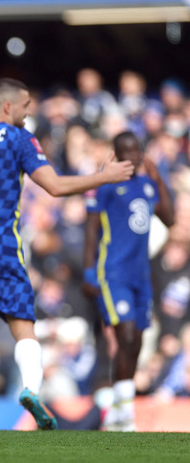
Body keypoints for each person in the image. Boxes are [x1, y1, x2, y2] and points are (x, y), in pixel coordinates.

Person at [0, 78, 135, 431]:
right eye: (25, 106)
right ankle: (30, 390)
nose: (29, 113)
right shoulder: (19, 138)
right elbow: (54, 186)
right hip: (1, 245)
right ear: (8, 107)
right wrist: (102, 177)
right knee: (23, 325)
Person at [82, 130, 174, 431]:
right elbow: (91, 230)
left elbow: (170, 219)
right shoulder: (106, 186)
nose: (133, 156)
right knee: (127, 335)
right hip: (113, 273)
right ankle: (122, 410)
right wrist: (88, 270)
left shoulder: (148, 185)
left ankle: (121, 406)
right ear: (117, 154)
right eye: (127, 151)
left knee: (136, 342)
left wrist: (158, 177)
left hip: (141, 276)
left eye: (137, 150)